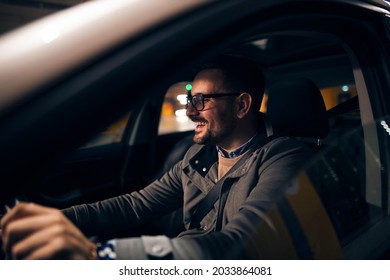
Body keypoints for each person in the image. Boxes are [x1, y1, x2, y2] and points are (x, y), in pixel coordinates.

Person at [0, 54, 313, 260]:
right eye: (190, 99)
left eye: (201, 100)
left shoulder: (285, 160)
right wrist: (57, 220)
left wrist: (104, 254)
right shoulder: (197, 157)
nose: (190, 111)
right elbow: (136, 205)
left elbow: (238, 243)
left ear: (242, 106)